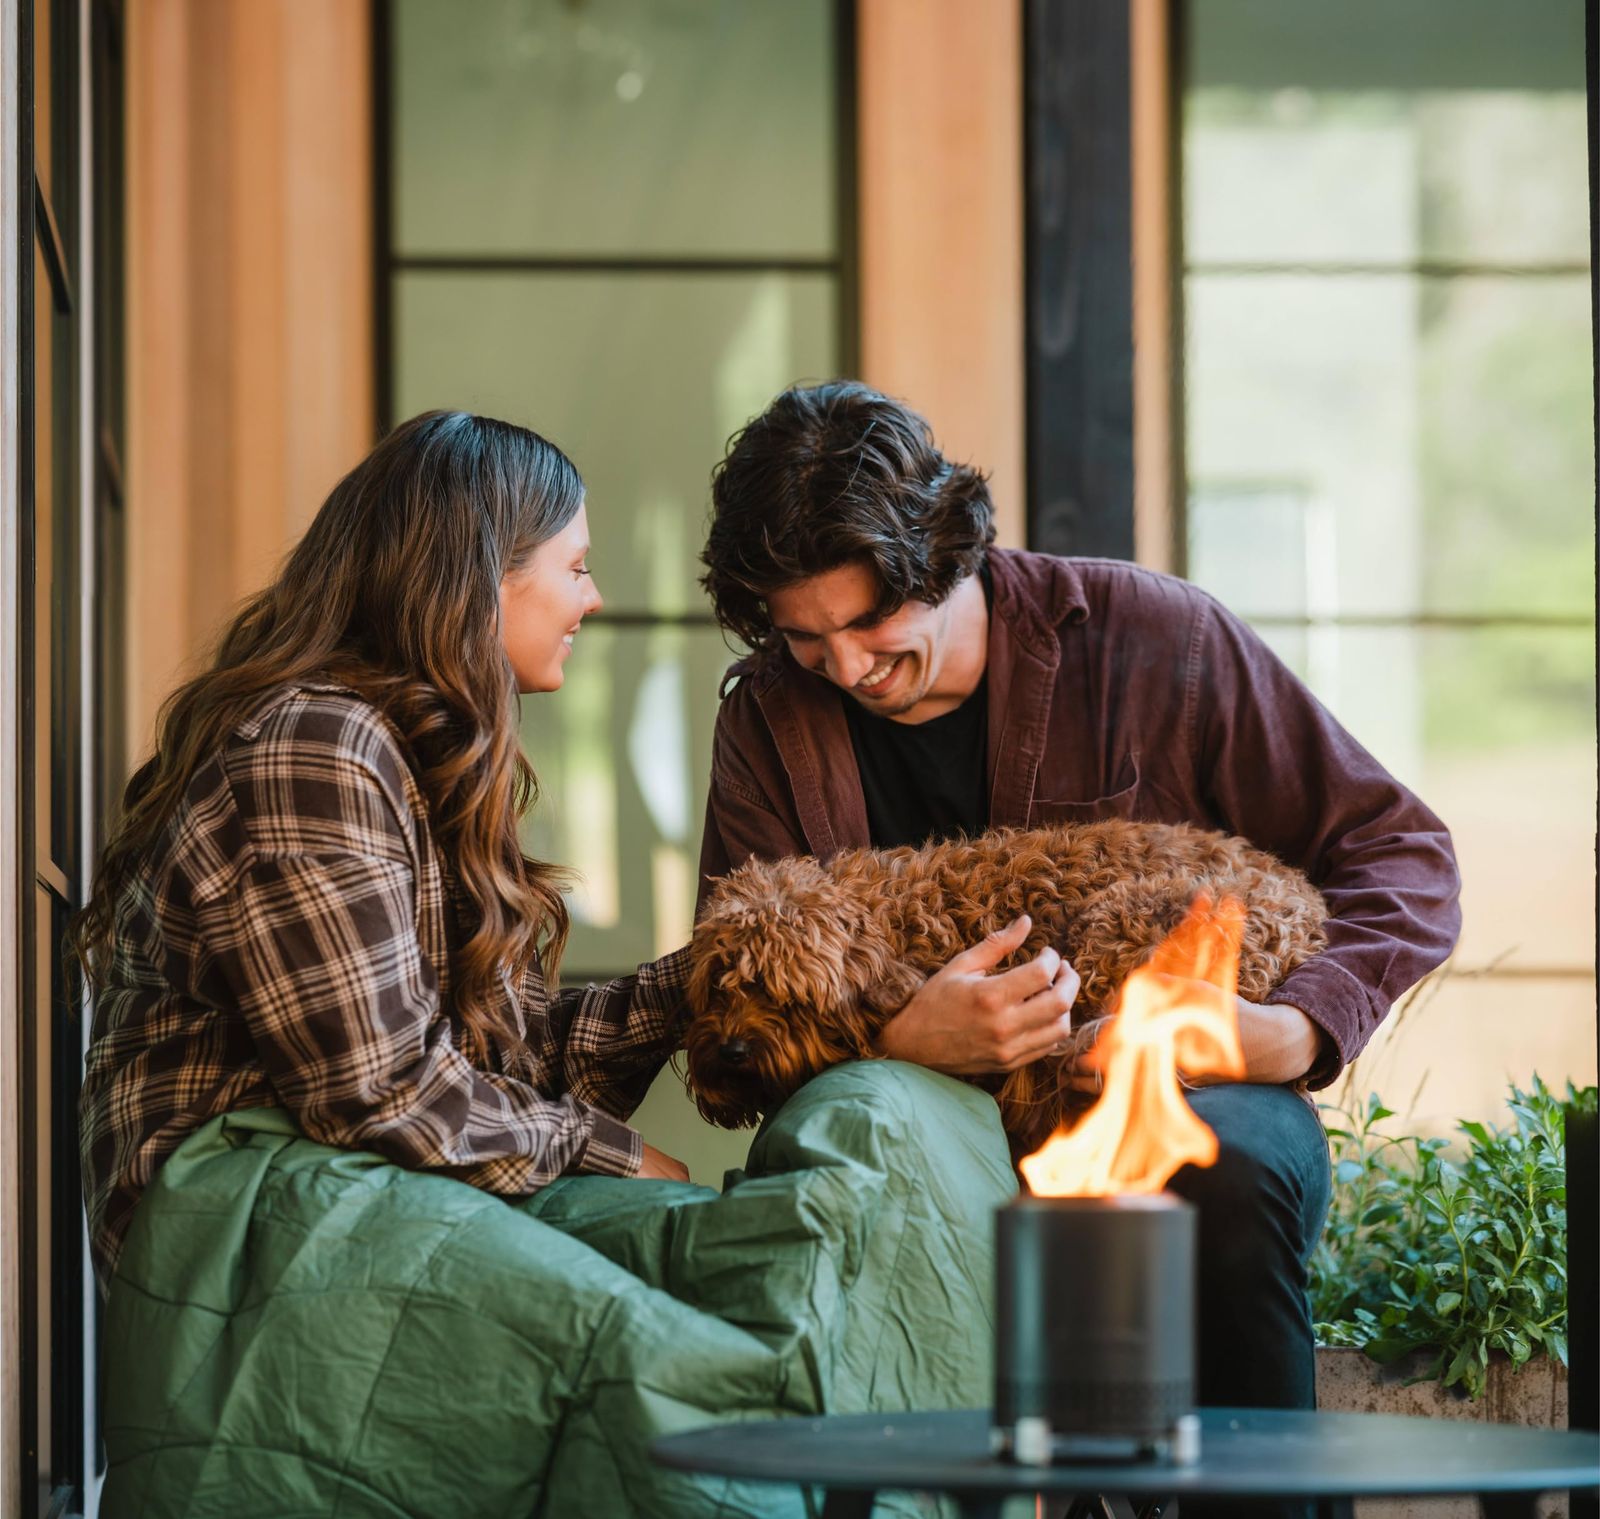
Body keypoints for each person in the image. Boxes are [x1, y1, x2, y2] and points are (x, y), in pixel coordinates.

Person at [697, 381, 1462, 1514]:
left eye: (870, 628)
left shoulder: (1154, 635)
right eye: (804, 639)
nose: (846, 670)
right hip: (912, 1117)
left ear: (949, 552)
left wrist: (1290, 1029)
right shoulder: (768, 715)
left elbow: (1398, 850)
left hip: (1166, 1090)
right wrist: (904, 1037)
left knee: (1229, 1162)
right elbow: (737, 986)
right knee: (841, 1179)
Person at [76, 409, 694, 1293]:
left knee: (705, 1252)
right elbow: (380, 1089)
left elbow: (498, 1067)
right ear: (481, 579)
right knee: (687, 1317)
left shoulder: (403, 755)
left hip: (337, 1203)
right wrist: (618, 1156)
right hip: (237, 1244)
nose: (593, 598)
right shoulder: (312, 745)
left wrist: (704, 982)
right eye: (578, 566)